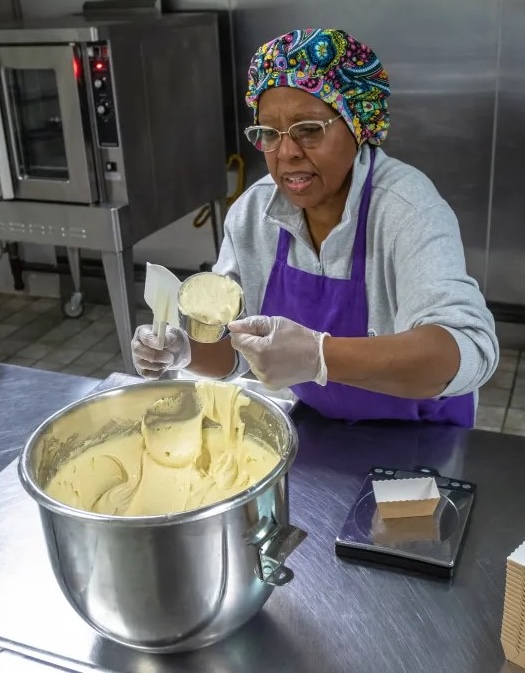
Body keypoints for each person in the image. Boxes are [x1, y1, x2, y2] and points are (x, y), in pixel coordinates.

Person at [132, 28, 499, 427]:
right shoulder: (255, 214)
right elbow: (236, 351)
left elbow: (470, 349)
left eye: (308, 129)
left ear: (357, 126)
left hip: (420, 435)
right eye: (269, 134)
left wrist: (318, 356)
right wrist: (184, 351)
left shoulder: (406, 211)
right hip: (321, 427)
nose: (287, 153)